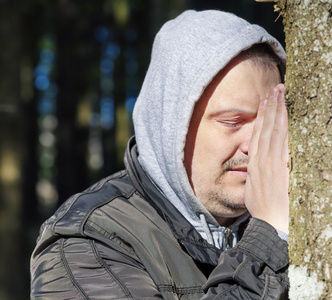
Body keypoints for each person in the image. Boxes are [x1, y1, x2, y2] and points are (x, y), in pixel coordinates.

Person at [30, 10, 289, 299]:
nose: (256, 145)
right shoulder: (87, 240)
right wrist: (270, 238)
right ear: (172, 125)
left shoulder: (293, 212)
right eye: (232, 122)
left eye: (271, 124)